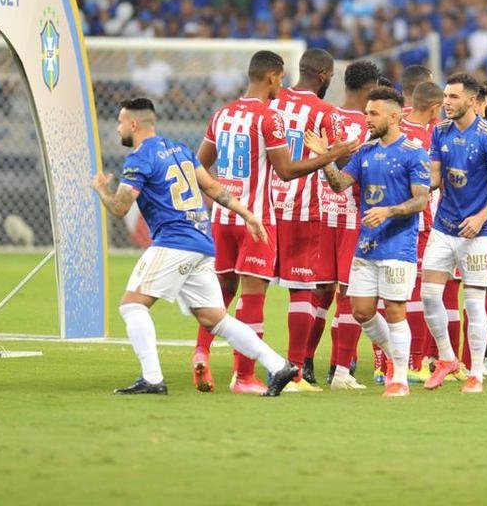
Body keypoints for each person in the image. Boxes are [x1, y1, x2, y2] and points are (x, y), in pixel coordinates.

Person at [92, 97, 297, 396]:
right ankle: (279, 365)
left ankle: (152, 379)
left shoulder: (140, 158)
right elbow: (212, 187)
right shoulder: (181, 150)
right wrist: (248, 215)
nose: (118, 128)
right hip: (202, 242)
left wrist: (101, 189)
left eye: (121, 122)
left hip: (175, 241)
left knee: (132, 305)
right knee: (216, 319)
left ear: (133, 124)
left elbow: (120, 208)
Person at [193, 51, 356, 394]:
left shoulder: (224, 113)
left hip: (227, 214)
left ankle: (203, 353)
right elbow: (294, 168)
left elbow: (198, 166)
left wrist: (220, 195)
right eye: (277, 79)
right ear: (273, 75)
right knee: (288, 292)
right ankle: (273, 373)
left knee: (222, 290)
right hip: (279, 213)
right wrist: (333, 153)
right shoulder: (294, 115)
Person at [309, 88, 432, 397]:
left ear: (394, 116)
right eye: (366, 113)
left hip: (398, 245)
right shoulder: (365, 151)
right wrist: (325, 157)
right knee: (361, 311)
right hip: (367, 246)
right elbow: (338, 185)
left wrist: (388, 211)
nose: (367, 119)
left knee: (394, 310)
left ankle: (400, 379)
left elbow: (421, 200)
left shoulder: (414, 153)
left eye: (373, 113)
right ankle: (396, 357)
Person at [421, 73, 487, 393]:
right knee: (429, 295)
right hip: (445, 226)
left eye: (454, 97)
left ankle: (475, 372)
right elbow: (433, 178)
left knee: (474, 302)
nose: (446, 102)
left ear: (472, 101)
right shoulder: (440, 131)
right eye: (445, 96)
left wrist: (481, 216)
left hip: (480, 231)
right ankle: (447, 359)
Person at [268, 48, 342, 391]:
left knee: (251, 291)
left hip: (264, 207)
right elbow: (339, 161)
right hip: (303, 210)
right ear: (325, 76)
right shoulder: (324, 112)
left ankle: (238, 368)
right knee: (301, 291)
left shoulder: (271, 102)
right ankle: (295, 370)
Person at [316, 59, 381, 389]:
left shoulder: (325, 116)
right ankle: (341, 368)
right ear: (371, 89)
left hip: (322, 213)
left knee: (318, 293)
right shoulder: (368, 124)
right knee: (351, 294)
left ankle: (303, 365)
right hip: (356, 217)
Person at [400, 81, 446, 381]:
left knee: (388, 293)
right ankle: (413, 362)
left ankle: (386, 363)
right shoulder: (432, 135)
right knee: (416, 292)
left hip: (385, 219)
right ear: (433, 108)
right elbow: (434, 180)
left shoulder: (393, 124)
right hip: (419, 222)